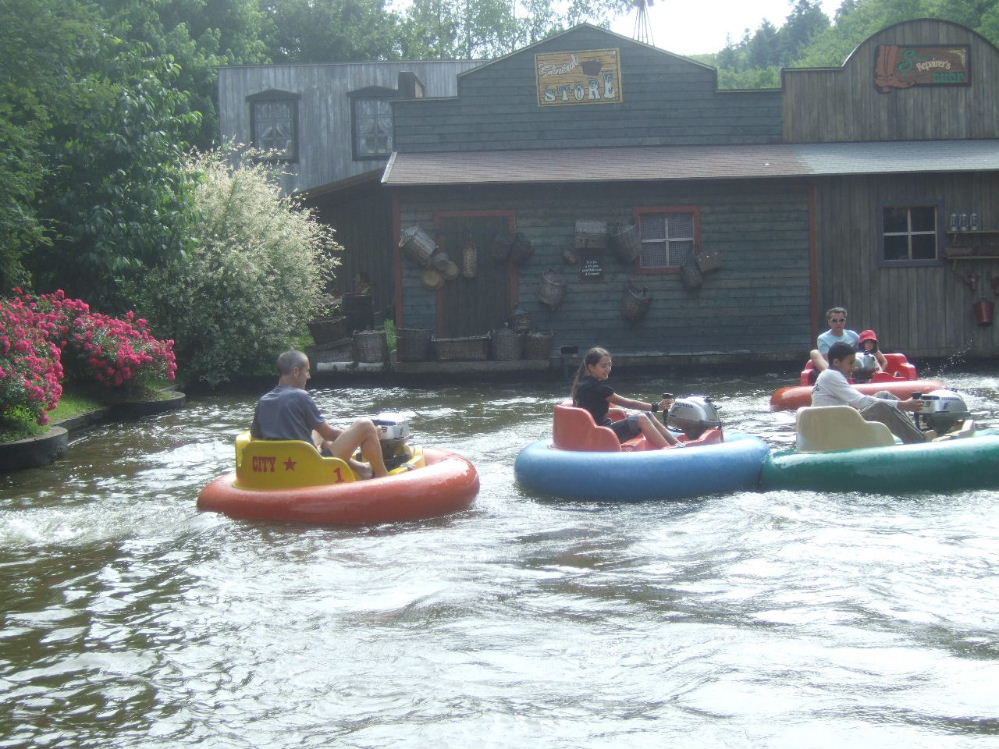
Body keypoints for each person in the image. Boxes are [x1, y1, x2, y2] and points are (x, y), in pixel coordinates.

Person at [251, 350, 388, 478]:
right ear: (296, 371)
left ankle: (361, 468)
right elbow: (330, 434)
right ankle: (383, 477)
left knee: (318, 434)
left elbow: (256, 440)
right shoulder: (301, 396)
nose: (309, 376)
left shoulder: (263, 401)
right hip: (310, 469)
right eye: (307, 371)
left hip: (282, 470)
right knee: (366, 426)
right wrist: (365, 436)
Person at [812, 341, 928, 444]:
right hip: (837, 432)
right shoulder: (832, 375)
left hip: (840, 423)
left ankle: (916, 435)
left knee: (884, 394)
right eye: (850, 363)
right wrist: (903, 404)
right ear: (836, 362)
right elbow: (861, 402)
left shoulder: (829, 375)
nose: (854, 367)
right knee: (880, 407)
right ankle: (919, 442)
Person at [570, 347, 683, 448]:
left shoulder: (583, 384)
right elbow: (630, 403)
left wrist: (614, 410)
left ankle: (676, 444)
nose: (608, 368)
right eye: (603, 366)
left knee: (647, 415)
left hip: (596, 431)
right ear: (591, 367)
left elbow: (591, 410)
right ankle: (668, 451)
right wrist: (656, 406)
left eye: (609, 364)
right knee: (642, 418)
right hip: (602, 434)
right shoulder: (599, 389)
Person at [809, 306, 860, 373]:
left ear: (845, 321)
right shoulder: (823, 339)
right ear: (829, 322)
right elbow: (828, 361)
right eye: (834, 321)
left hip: (853, 368)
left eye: (841, 320)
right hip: (833, 369)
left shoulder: (853, 335)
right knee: (814, 352)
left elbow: (866, 349)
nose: (838, 323)